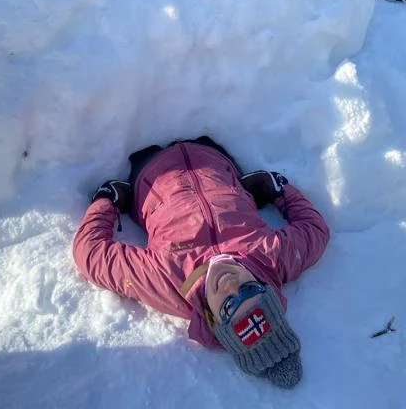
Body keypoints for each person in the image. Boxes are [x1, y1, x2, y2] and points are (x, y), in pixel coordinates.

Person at [73, 138, 329, 389]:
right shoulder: (272, 257)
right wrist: (279, 190)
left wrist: (107, 201)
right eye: (249, 290)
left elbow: (91, 253)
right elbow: (315, 232)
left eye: (229, 306)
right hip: (214, 155)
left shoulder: (168, 280)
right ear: (264, 286)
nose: (231, 285)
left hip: (150, 167)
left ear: (213, 319)